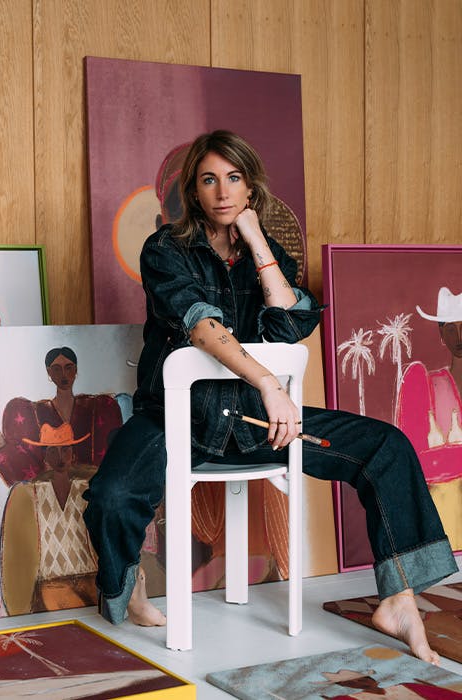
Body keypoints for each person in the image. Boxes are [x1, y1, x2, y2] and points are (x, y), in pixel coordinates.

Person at [83, 130, 458, 664]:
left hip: (258, 423)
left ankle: (399, 600)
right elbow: (200, 325)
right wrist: (267, 382)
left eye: (233, 178)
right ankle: (128, 583)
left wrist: (257, 240)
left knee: (387, 447)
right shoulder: (164, 250)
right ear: (193, 190)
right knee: (112, 497)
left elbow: (290, 323)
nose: (222, 191)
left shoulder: (266, 251)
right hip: (176, 419)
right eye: (209, 179)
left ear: (250, 187)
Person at [0, 423, 98, 614]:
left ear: (73, 453)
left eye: (65, 449)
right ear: (45, 456)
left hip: (91, 577)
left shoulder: (87, 487)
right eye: (53, 451)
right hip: (52, 583)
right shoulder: (31, 493)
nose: (60, 457)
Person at [0, 346, 123, 485]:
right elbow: (25, 469)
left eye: (68, 368)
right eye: (57, 369)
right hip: (49, 489)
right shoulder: (35, 412)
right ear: (49, 372)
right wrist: (0, 444)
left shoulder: (95, 408)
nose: (63, 374)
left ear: (75, 370)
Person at [395, 287, 462, 549]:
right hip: (446, 514)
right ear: (441, 334)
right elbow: (416, 461)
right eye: (451, 329)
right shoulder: (426, 384)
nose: (459, 337)